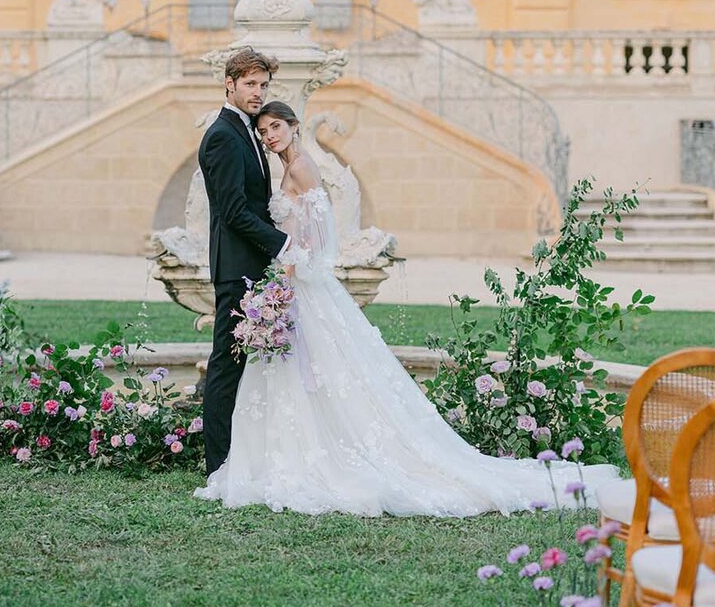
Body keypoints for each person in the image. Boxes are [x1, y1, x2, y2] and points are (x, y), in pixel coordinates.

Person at [195, 100, 618, 516]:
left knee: (313, 373)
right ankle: (284, 454)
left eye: (275, 128)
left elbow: (318, 238)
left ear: (293, 126)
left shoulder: (302, 167)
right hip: (290, 282)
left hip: (298, 282)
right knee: (304, 374)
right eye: (264, 130)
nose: (269, 136)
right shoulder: (286, 166)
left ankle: (312, 457)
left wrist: (287, 276)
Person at [196, 47, 292, 475]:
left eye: (263, 85)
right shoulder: (222, 135)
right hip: (236, 267)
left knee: (245, 365)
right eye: (250, 84)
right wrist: (283, 244)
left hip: (253, 266)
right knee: (226, 364)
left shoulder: (246, 132)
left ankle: (250, 453)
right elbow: (233, 210)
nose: (258, 92)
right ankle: (218, 464)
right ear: (229, 84)